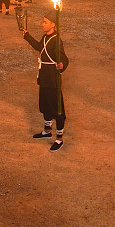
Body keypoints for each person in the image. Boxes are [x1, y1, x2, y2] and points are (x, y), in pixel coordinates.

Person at [23, 9, 69, 152]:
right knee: (45, 104)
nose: (42, 24)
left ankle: (59, 139)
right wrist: (27, 36)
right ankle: (47, 131)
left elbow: (64, 58)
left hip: (53, 78)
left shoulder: (57, 40)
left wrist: (62, 65)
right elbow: (39, 47)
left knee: (57, 108)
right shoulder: (44, 37)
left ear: (53, 24)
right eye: (43, 21)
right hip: (44, 76)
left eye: (45, 22)